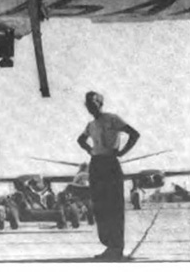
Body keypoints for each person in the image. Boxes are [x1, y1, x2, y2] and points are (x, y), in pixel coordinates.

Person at [76, 91, 140, 261]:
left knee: (114, 206)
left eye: (93, 102)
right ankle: (109, 246)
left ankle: (117, 248)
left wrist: (123, 151)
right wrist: (89, 150)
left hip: (110, 163)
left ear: (100, 103)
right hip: (96, 165)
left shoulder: (113, 119)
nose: (90, 106)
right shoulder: (90, 125)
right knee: (100, 207)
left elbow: (134, 134)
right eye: (88, 103)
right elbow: (80, 140)